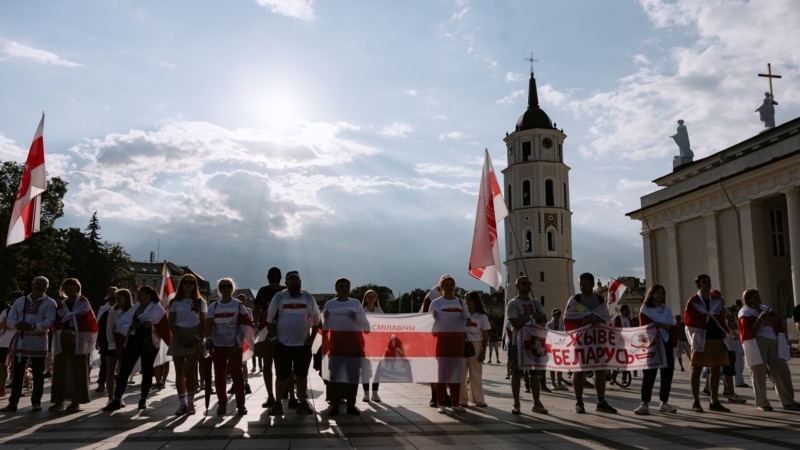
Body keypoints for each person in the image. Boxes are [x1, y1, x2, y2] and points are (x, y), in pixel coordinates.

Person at [104, 286, 170, 411]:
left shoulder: (157, 308)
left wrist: (151, 325)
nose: (138, 296)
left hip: (148, 342)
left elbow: (162, 326)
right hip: (133, 340)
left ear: (148, 295)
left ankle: (143, 399)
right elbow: (123, 322)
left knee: (147, 371)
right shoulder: (136, 307)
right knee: (124, 369)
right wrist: (131, 326)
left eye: (140, 294)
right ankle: (117, 399)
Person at [266, 270, 320, 416]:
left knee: (302, 375)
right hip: (282, 345)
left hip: (303, 345)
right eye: (291, 279)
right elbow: (269, 319)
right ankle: (277, 403)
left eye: (297, 279)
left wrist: (312, 339)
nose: (294, 281)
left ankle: (302, 403)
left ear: (300, 281)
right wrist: (273, 338)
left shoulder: (308, 297)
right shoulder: (280, 296)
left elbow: (316, 319)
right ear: (286, 283)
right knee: (281, 376)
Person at [1, 276, 58, 412]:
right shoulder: (20, 301)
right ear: (32, 285)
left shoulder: (50, 303)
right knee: (18, 372)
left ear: (46, 287)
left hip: (38, 341)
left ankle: (36, 402)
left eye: (43, 285)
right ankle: (13, 402)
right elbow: (11, 318)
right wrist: (16, 324)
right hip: (21, 340)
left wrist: (33, 325)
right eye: (37, 284)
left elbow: (49, 321)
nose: (39, 287)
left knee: (38, 373)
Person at [738, 289, 799, 411]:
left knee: (782, 371)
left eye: (758, 296)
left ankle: (787, 401)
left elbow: (776, 321)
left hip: (773, 340)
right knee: (758, 372)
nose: (758, 299)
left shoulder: (765, 308)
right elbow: (751, 331)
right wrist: (760, 318)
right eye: (754, 297)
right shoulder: (745, 312)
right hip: (758, 342)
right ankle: (762, 403)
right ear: (748, 299)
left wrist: (764, 313)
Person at [563, 272, 617, 414]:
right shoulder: (575, 300)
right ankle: (579, 401)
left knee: (600, 370)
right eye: (580, 284)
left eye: (585, 285)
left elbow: (607, 318)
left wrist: (599, 321)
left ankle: (601, 401)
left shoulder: (599, 300)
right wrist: (583, 321)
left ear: (592, 284)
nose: (582, 287)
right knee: (579, 371)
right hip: (581, 341)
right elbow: (567, 320)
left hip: (597, 341)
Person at [49, 278, 98, 412]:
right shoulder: (61, 305)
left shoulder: (83, 304)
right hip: (62, 340)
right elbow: (56, 321)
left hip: (79, 342)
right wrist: (63, 332)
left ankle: (76, 400)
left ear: (77, 288)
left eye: (72, 286)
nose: (69, 289)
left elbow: (88, 323)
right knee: (60, 370)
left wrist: (74, 333)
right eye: (67, 287)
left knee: (78, 371)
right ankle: (58, 400)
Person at [323, 277, 369, 416]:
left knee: (353, 378)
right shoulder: (329, 305)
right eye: (341, 286)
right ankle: (335, 405)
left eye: (347, 286)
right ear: (336, 289)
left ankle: (351, 405)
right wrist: (326, 318)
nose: (344, 289)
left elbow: (366, 327)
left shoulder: (355, 303)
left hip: (354, 348)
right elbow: (325, 328)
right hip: (336, 347)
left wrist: (356, 317)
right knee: (335, 378)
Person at [684, 274, 731, 413]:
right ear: (698, 285)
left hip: (716, 337)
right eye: (704, 282)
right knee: (696, 369)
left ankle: (714, 400)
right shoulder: (693, 301)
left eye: (709, 281)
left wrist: (724, 330)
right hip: (701, 338)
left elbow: (721, 317)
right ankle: (696, 401)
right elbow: (689, 320)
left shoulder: (716, 300)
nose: (708, 284)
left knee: (716, 369)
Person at [206, 278, 253, 415]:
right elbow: (208, 324)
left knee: (237, 375)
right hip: (218, 345)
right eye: (222, 286)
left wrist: (238, 343)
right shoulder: (213, 306)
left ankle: (241, 405)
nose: (225, 289)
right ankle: (222, 404)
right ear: (219, 290)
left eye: (228, 286)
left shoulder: (238, 305)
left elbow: (244, 326)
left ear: (232, 289)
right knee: (219, 376)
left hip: (233, 345)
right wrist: (209, 339)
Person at [507, 275, 548, 415]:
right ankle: (516, 402)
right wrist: (531, 317)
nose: (527, 286)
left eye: (529, 283)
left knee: (535, 374)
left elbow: (544, 320)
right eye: (524, 283)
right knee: (516, 374)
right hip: (517, 342)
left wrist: (540, 318)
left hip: (534, 341)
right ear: (517, 286)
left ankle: (537, 402)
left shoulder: (536, 302)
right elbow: (515, 323)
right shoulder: (513, 303)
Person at [429, 274, 470, 414]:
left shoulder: (460, 302)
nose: (449, 286)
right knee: (441, 373)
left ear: (455, 286)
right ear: (441, 287)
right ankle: (441, 403)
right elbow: (428, 322)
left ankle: (455, 403)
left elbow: (468, 319)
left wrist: (464, 319)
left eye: (451, 284)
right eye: (446, 284)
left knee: (456, 373)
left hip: (457, 340)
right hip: (441, 340)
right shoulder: (436, 303)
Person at [167, 273, 208, 415]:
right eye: (186, 282)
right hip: (179, 336)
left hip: (194, 336)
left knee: (189, 370)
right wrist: (179, 337)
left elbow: (204, 322)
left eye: (191, 282)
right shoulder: (174, 302)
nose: (188, 285)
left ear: (195, 285)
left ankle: (191, 402)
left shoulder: (200, 301)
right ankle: (182, 403)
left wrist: (197, 336)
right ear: (181, 284)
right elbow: (171, 322)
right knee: (179, 372)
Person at [634, 284, 677, 415]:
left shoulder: (665, 309)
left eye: (662, 293)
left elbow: (672, 325)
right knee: (650, 374)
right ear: (651, 294)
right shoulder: (645, 309)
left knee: (667, 373)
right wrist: (660, 325)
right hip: (652, 344)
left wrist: (663, 326)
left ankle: (664, 402)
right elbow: (646, 326)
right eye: (657, 292)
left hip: (666, 342)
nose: (660, 295)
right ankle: (645, 403)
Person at [255, 266, 284, 409]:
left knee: (285, 365)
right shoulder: (263, 291)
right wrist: (268, 313)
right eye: (272, 275)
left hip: (284, 330)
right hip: (266, 331)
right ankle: (271, 395)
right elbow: (255, 312)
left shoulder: (285, 291)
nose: (274, 277)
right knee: (267, 364)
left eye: (276, 275)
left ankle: (289, 395)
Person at [460, 291, 490, 408]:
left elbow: (486, 334)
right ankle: (462, 399)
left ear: (476, 301)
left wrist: (483, 350)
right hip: (462, 343)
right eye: (466, 299)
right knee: (461, 373)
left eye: (470, 299)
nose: (468, 302)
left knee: (476, 373)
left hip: (476, 344)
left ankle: (478, 398)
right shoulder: (461, 315)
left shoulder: (482, 316)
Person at [361, 289, 383, 403]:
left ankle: (375, 392)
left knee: (376, 369)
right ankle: (366, 393)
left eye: (373, 296)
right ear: (365, 298)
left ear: (376, 299)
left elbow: (384, 327)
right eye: (368, 296)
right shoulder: (361, 311)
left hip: (377, 345)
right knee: (365, 368)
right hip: (364, 345)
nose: (371, 298)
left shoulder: (380, 311)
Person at [94, 286, 116, 394]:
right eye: (110, 292)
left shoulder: (120, 309)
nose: (112, 294)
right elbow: (98, 325)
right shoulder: (102, 309)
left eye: (114, 293)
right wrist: (97, 339)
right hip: (105, 340)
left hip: (117, 340)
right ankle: (101, 383)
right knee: (104, 363)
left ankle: (115, 383)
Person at [0, 292, 22, 398]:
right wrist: (13, 325)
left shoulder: (24, 312)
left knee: (17, 367)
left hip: (18, 343)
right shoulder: (6, 311)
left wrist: (9, 324)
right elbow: (0, 324)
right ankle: (1, 388)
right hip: (4, 343)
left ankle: (18, 389)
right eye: (14, 300)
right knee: (2, 367)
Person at [546, 309, 567, 391]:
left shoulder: (562, 323)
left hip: (560, 346)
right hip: (552, 347)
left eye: (559, 314)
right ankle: (553, 383)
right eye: (556, 314)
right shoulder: (549, 324)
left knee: (560, 366)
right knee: (552, 366)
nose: (558, 316)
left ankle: (559, 383)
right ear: (553, 315)